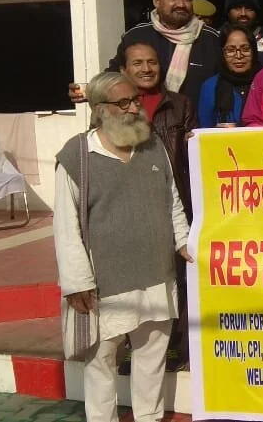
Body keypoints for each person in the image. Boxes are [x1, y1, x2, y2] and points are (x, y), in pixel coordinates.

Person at [53, 72, 192, 422]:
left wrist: (184, 241)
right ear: (100, 109)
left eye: (135, 100)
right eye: (124, 103)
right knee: (101, 362)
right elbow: (66, 225)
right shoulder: (78, 155)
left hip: (157, 275)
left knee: (152, 358)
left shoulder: (152, 145)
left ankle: (149, 418)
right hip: (105, 285)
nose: (134, 108)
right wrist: (76, 282)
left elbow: (172, 200)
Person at [117, 43, 195, 373]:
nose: (146, 69)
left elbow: (192, 158)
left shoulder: (180, 104)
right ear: (124, 70)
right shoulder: (114, 108)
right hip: (127, 206)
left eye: (152, 62)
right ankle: (133, 345)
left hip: (172, 203)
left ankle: (174, 345)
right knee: (132, 280)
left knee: (174, 279)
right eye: (138, 63)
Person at [69, 0, 220, 105]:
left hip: (196, 125)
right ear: (157, 0)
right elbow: (114, 76)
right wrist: (90, 91)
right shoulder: (136, 36)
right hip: (142, 123)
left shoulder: (210, 39)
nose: (181, 4)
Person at [198, 23, 262, 128]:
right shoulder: (211, 86)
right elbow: (205, 128)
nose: (239, 56)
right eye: (231, 50)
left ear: (254, 51)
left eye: (245, 49)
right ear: (222, 53)